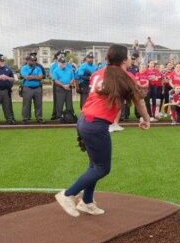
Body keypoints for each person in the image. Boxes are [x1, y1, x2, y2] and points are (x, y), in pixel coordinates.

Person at [56, 44, 149, 216]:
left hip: (85, 120)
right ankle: (68, 194)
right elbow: (139, 100)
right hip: (95, 124)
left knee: (94, 165)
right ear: (123, 59)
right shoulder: (126, 76)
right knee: (102, 168)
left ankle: (87, 202)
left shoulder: (98, 73)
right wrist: (146, 119)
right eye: (128, 56)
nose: (130, 58)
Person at [20, 54, 45, 123]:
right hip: (27, 87)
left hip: (37, 88)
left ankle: (39, 117)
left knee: (38, 104)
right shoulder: (24, 68)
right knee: (26, 103)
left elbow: (41, 77)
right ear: (27, 61)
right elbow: (27, 77)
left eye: (34, 60)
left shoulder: (38, 68)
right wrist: (36, 77)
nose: (33, 62)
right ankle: (25, 117)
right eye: (32, 61)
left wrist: (32, 77)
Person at [52, 55, 77, 122]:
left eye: (64, 62)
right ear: (59, 63)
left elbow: (72, 78)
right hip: (60, 88)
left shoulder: (70, 70)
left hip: (68, 88)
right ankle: (59, 117)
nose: (63, 64)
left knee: (69, 104)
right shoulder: (56, 70)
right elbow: (56, 80)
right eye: (62, 62)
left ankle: (70, 116)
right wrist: (63, 85)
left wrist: (68, 84)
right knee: (59, 104)